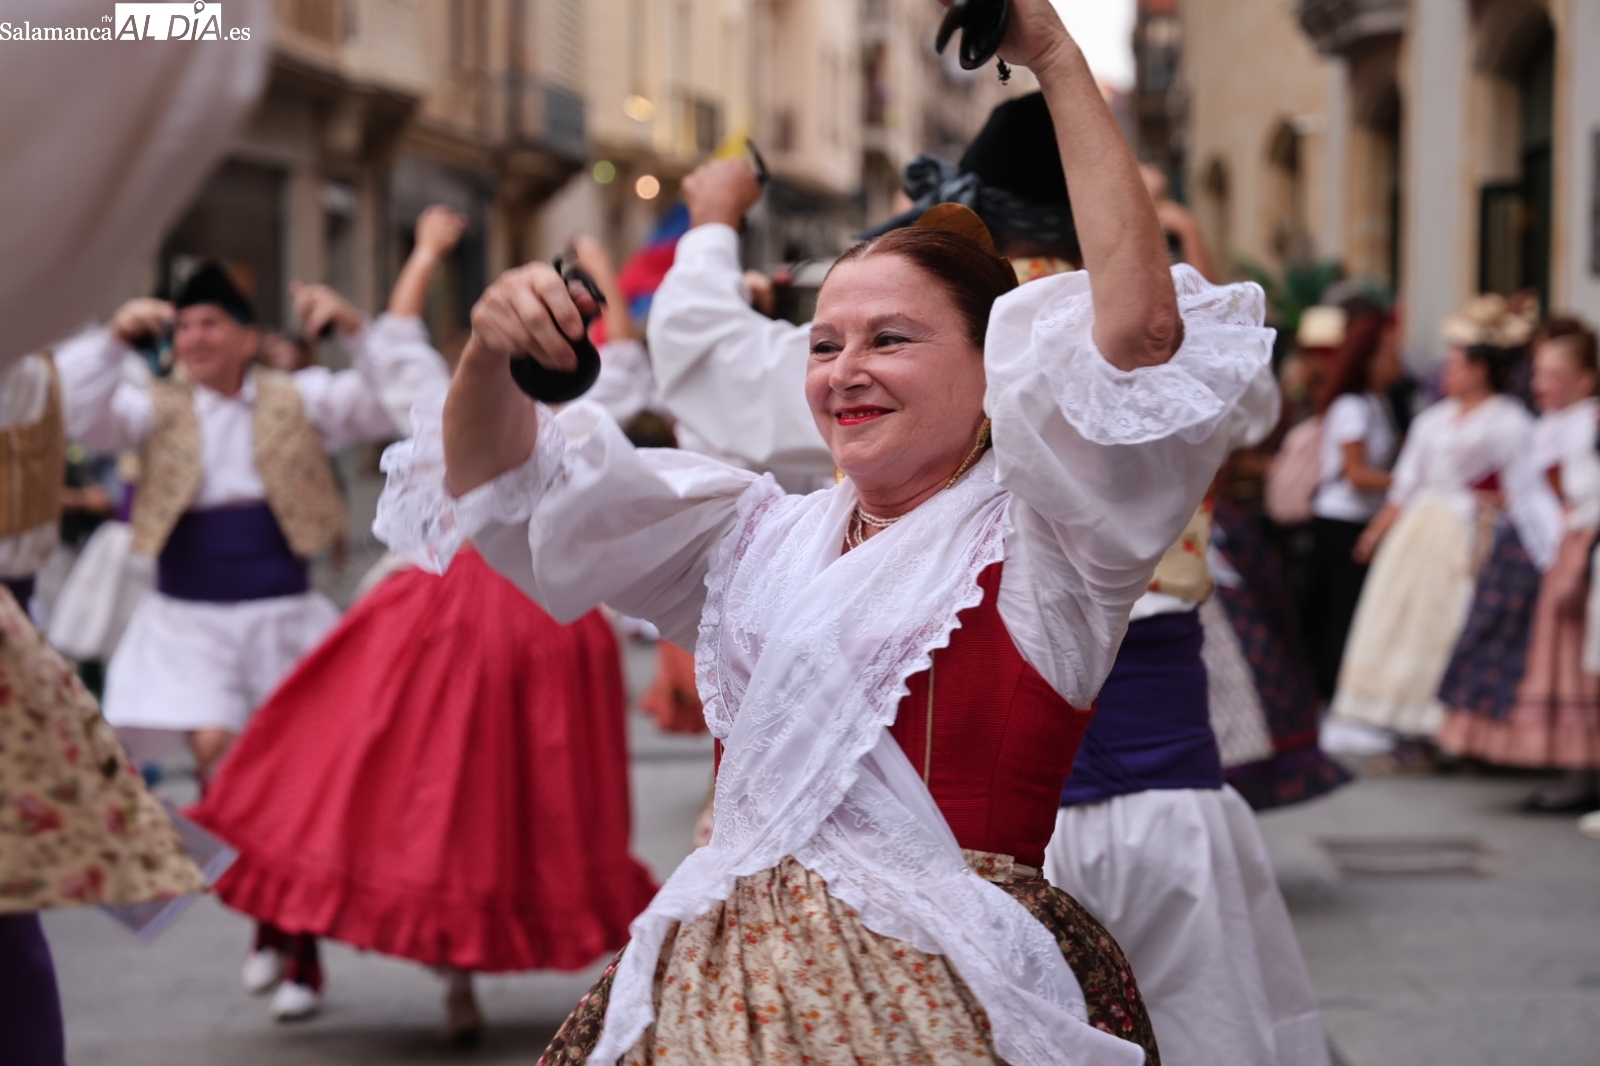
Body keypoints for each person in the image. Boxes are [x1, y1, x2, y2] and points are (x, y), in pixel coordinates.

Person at [377, 4, 1274, 1062]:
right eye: (824, 343)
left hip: (952, 992)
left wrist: (1057, 59)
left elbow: (1142, 336)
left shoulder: (1049, 545)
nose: (845, 369)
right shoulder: (747, 533)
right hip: (720, 994)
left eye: (891, 339)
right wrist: (489, 351)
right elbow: (506, 491)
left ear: (998, 369)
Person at [647, 75, 1322, 1066]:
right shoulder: (1158, 339)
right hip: (1153, 788)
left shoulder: (936, 323)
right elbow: (1245, 394)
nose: (849, 362)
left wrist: (709, 230)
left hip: (963, 831)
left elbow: (710, 362)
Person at [190, 209, 659, 1032]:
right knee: (510, 797)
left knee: (432, 788)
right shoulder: (586, 407)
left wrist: (427, 253)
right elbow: (621, 357)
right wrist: (597, 265)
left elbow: (399, 337)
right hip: (539, 621)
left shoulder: (449, 398)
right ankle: (448, 975)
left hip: (457, 617)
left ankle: (438, 972)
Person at [54, 264, 444, 784]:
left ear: (248, 338)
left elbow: (397, 404)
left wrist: (355, 329)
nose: (194, 337)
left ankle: (271, 857)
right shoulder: (150, 409)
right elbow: (77, 413)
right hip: (188, 621)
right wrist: (113, 341)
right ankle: (228, 854)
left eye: (210, 323)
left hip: (282, 614)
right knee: (217, 752)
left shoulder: (298, 397)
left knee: (297, 763)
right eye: (185, 326)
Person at [1325, 315, 1534, 753]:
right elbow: (1406, 484)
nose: (1447, 372)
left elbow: (1523, 487)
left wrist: (1492, 509)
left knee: (1451, 617)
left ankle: (1447, 720)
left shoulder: (1508, 420)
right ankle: (1398, 716)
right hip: (1421, 528)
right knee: (1401, 616)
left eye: (1457, 364)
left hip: (1467, 530)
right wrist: (1376, 533)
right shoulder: (1434, 420)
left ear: (1480, 370)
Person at [1438, 318, 1600, 808]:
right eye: (1539, 374)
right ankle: (1571, 768)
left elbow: (1587, 497)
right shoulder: (1554, 425)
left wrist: (1572, 552)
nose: (1540, 385)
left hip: (1576, 546)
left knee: (1575, 665)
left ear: (1587, 380)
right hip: (1555, 547)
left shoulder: (1586, 425)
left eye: (1553, 376)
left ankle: (1581, 771)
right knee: (1556, 661)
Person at [1300, 313, 1404, 699]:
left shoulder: (1379, 404)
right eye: (1391, 353)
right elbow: (1356, 473)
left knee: (1351, 608)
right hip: (1340, 519)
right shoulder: (1353, 407)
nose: (1399, 361)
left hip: (1360, 516)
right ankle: (1327, 688)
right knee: (1339, 609)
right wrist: (1408, 482)